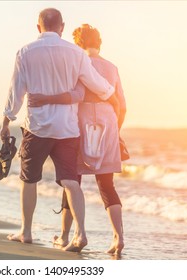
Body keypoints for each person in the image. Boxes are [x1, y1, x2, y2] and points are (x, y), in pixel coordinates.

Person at [0, 8, 118, 252]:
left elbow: (16, 91)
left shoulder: (25, 52)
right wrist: (108, 92)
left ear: (38, 27)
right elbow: (99, 86)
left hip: (38, 127)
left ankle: (27, 231)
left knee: (28, 179)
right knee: (71, 181)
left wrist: (6, 120)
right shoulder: (76, 53)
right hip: (67, 128)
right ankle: (81, 234)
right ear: (62, 27)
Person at [28, 24, 126, 255]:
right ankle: (118, 238)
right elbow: (121, 105)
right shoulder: (112, 67)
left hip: (80, 120)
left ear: (78, 44)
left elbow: (73, 95)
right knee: (106, 183)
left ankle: (64, 236)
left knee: (72, 180)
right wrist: (116, 131)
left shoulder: (76, 63)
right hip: (108, 121)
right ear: (98, 42)